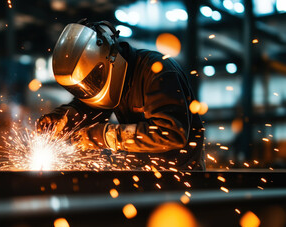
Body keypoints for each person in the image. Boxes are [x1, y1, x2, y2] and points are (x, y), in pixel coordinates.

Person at [37, 19, 205, 170]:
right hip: (142, 176)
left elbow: (171, 134)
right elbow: (87, 106)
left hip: (181, 177)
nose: (88, 91)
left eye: (90, 83)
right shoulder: (112, 79)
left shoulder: (157, 71)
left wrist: (106, 136)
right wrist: (64, 118)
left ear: (109, 59)